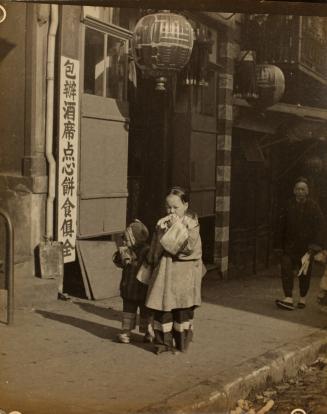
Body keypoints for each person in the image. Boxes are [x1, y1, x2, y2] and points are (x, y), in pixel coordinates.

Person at [145, 186, 205, 354]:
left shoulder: (192, 225)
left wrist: (176, 228)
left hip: (184, 275)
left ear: (185, 205)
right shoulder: (162, 223)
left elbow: (189, 248)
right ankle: (162, 343)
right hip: (165, 273)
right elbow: (155, 249)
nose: (171, 211)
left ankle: (181, 343)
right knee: (163, 308)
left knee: (182, 310)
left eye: (175, 207)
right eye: (168, 207)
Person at [275, 177, 326, 310]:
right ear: (294, 191)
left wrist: (315, 245)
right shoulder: (287, 205)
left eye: (303, 189)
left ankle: (302, 298)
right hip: (289, 246)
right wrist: (279, 246)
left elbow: (321, 227)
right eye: (298, 189)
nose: (300, 191)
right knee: (286, 269)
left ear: (307, 191)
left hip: (306, 248)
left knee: (304, 273)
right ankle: (288, 298)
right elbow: (280, 226)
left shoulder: (314, 207)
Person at [113, 219, 153, 344]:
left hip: (143, 287)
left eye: (127, 238)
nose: (124, 241)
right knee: (128, 311)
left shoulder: (147, 250)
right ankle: (126, 332)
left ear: (135, 237)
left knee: (146, 312)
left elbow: (152, 262)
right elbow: (118, 262)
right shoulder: (126, 249)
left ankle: (148, 332)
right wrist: (121, 257)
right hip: (129, 287)